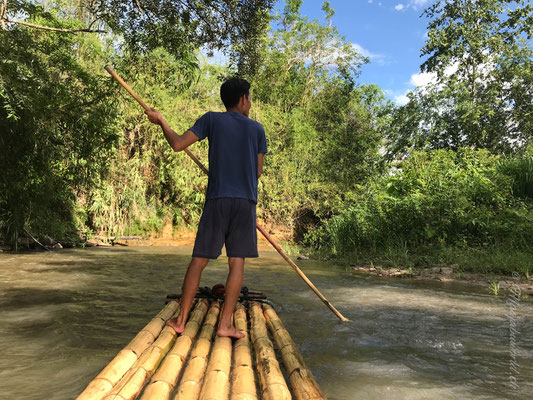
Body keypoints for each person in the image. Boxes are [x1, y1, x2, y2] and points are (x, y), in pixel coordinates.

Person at [145, 78, 267, 339]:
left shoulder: (211, 119)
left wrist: (162, 121)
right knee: (237, 263)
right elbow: (257, 173)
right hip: (245, 203)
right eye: (250, 98)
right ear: (244, 99)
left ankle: (180, 321)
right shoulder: (257, 130)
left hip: (218, 200)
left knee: (199, 261)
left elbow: (178, 144)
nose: (250, 102)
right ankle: (225, 325)